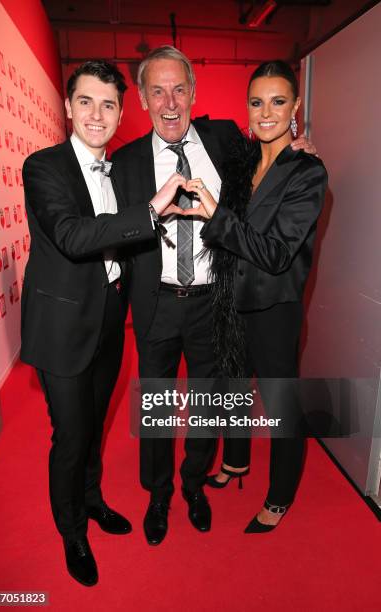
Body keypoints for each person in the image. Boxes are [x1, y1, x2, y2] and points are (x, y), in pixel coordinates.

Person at [110, 46, 316, 544]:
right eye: (157, 91)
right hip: (157, 301)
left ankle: (194, 485)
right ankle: (158, 495)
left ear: (194, 93)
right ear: (140, 98)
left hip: (213, 302)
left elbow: (271, 164)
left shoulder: (225, 139)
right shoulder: (124, 163)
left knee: (210, 402)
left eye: (179, 89)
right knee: (157, 406)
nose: (170, 101)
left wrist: (300, 149)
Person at [21, 60, 179, 586]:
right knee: (70, 436)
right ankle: (71, 532)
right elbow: (71, 235)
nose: (96, 113)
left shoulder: (120, 170)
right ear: (67, 107)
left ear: (120, 114)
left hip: (110, 317)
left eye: (108, 104)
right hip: (61, 327)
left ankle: (91, 502)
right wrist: (152, 212)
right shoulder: (43, 167)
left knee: (95, 429)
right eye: (85, 101)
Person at [181, 59, 328, 532]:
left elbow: (277, 252)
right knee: (231, 387)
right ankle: (237, 461)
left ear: (296, 107)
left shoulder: (307, 173)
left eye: (279, 101)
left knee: (282, 406)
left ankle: (280, 496)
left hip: (274, 306)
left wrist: (215, 217)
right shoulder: (242, 159)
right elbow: (198, 128)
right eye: (257, 102)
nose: (266, 113)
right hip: (231, 299)